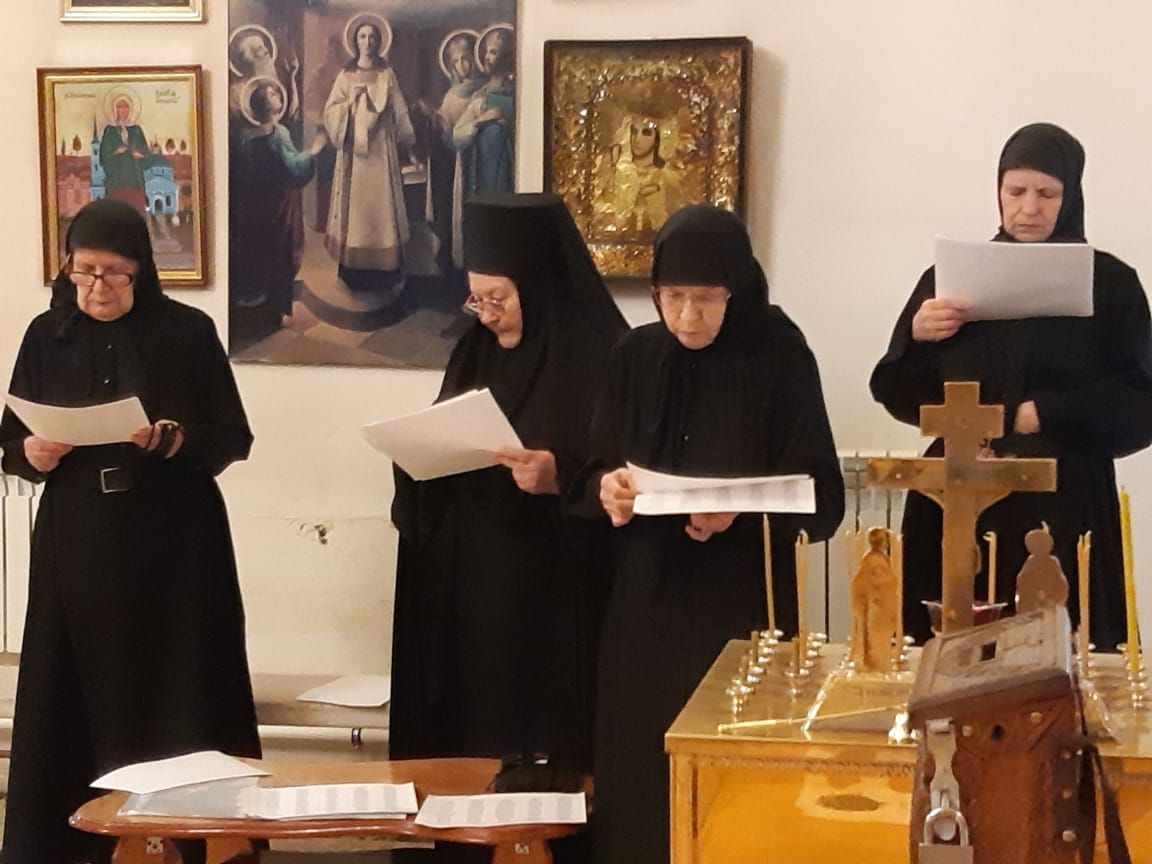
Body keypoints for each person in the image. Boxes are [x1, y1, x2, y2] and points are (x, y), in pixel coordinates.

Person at [579, 204, 845, 864]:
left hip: (742, 603)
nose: (687, 317)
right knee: (643, 770)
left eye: (705, 298)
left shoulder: (780, 356)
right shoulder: (635, 355)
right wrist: (609, 491)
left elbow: (824, 498)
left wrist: (741, 514)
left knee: (736, 778)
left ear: (737, 290)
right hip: (648, 602)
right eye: (672, 298)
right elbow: (593, 472)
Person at [0, 199, 261, 864]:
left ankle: (191, 841)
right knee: (73, 691)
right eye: (84, 272)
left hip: (174, 541)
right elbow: (10, 438)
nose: (97, 287)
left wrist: (174, 439)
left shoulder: (187, 332)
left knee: (179, 686)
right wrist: (29, 453)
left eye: (113, 273)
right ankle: (71, 846)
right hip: (78, 535)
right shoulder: (46, 334)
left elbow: (233, 437)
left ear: (141, 271)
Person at [390, 194, 627, 861]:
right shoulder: (474, 350)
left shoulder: (604, 356)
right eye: (477, 300)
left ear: (538, 287)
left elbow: (624, 474)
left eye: (499, 299)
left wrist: (560, 476)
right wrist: (412, 460)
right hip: (475, 592)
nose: (487, 314)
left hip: (559, 595)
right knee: (475, 734)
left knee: (549, 749)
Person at [870, 122, 1152, 647]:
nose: (1028, 208)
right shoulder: (950, 278)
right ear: (997, 190)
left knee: (1056, 659)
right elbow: (896, 390)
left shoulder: (1111, 284)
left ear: (1071, 196)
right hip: (958, 492)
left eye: (1047, 193)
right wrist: (918, 335)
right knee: (949, 652)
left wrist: (1041, 413)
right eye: (1015, 191)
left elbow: (1140, 402)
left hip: (1063, 501)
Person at [323, 15, 415, 295]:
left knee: (382, 209)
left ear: (379, 41)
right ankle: (354, 272)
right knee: (356, 212)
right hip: (354, 156)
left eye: (372, 37)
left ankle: (385, 272)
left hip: (381, 153)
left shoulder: (387, 75)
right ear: (355, 41)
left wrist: (409, 143)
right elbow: (331, 110)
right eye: (362, 36)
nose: (368, 41)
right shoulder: (346, 75)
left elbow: (399, 109)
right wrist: (351, 104)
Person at [231, 78, 326, 335]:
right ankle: (281, 310)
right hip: (279, 206)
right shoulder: (277, 134)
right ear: (263, 105)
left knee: (259, 250)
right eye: (272, 95)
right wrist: (314, 151)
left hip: (253, 207)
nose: (278, 96)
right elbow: (293, 168)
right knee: (282, 252)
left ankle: (260, 307)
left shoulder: (243, 137)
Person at [453, 25, 515, 196]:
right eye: (486, 52)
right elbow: (458, 136)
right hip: (483, 179)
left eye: (493, 52)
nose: (487, 57)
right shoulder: (481, 97)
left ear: (507, 57)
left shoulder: (518, 95)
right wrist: (481, 120)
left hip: (510, 178)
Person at [99, 94, 150, 214]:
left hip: (134, 180)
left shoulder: (136, 130)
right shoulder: (110, 131)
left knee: (135, 212)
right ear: (115, 109)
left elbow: (147, 157)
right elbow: (103, 158)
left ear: (130, 109)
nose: (123, 110)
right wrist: (117, 151)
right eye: (120, 106)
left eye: (126, 106)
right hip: (116, 180)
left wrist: (139, 155)